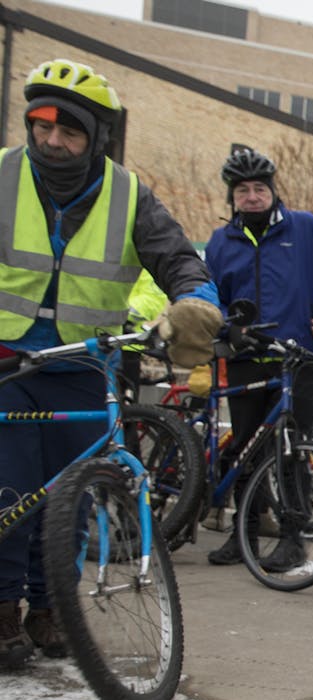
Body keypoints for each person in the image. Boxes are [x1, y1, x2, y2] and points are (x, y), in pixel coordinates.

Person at [0, 59, 221, 669]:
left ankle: (51, 611)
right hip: (8, 360)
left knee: (68, 503)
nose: (51, 139)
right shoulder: (3, 173)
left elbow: (178, 259)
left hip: (83, 361)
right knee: (10, 491)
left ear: (97, 136)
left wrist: (196, 304)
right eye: (40, 124)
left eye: (68, 130)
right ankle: (1, 612)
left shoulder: (128, 194)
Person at [203, 146, 313, 569]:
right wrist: (225, 326)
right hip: (246, 358)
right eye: (242, 191)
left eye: (259, 188)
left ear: (273, 190)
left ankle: (294, 535)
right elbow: (207, 297)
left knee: (293, 445)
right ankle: (245, 534)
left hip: (299, 358)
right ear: (232, 198)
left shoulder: (307, 229)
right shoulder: (221, 242)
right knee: (244, 448)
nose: (252, 197)